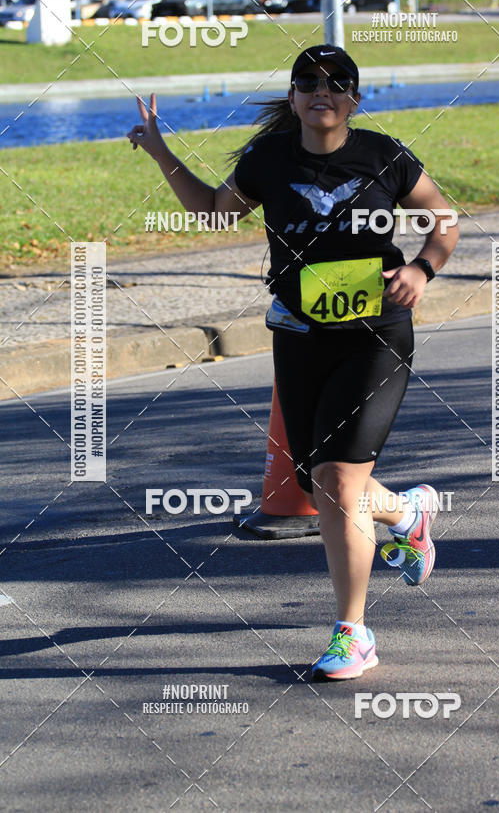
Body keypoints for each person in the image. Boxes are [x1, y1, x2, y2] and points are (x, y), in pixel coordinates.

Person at [127, 44, 459, 681]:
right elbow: (212, 211)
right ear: (294, 97)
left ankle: (352, 632)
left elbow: (442, 218)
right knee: (319, 484)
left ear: (355, 99)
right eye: (308, 80)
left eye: (337, 82)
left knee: (336, 483)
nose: (321, 90)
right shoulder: (269, 159)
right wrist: (161, 149)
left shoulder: (383, 154)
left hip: (376, 337)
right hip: (301, 336)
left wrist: (422, 267)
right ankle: (407, 513)